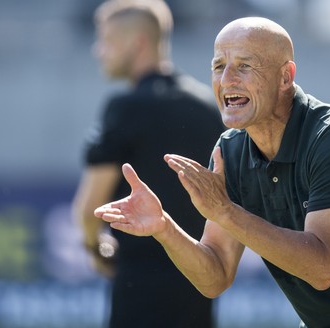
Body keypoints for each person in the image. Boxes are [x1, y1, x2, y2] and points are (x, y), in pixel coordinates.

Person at [94, 16, 330, 328]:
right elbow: (215, 275)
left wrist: (225, 210)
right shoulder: (231, 149)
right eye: (219, 66)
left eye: (245, 65)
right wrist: (164, 228)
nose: (228, 80)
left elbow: (321, 267)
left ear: (286, 77)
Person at [72, 0, 222, 327]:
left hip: (137, 289)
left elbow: (87, 210)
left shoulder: (126, 107)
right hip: (198, 285)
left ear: (138, 42)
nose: (99, 51)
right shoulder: (209, 109)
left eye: (107, 41)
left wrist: (96, 248)